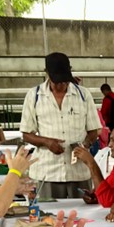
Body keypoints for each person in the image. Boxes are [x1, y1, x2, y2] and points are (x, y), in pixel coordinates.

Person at [20, 52, 101, 199]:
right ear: (47, 74)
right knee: (50, 216)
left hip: (79, 172)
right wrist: (47, 142)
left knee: (85, 216)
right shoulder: (34, 96)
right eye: (57, 81)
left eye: (65, 81)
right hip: (47, 172)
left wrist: (85, 145)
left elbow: (93, 130)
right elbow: (26, 134)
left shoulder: (84, 95)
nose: (61, 85)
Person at [74, 122, 114, 207]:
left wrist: (92, 164)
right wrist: (96, 195)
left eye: (113, 140)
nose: (109, 145)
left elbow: (109, 201)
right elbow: (108, 188)